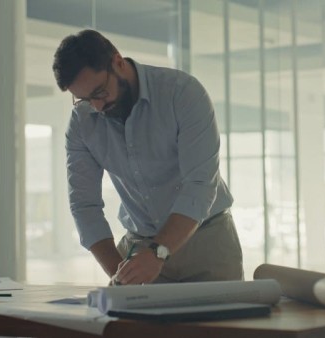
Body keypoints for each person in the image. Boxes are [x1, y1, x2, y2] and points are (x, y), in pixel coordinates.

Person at [52, 29, 243, 285]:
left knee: (220, 326)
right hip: (138, 249)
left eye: (99, 92)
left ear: (118, 62)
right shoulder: (82, 122)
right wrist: (120, 273)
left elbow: (199, 186)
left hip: (206, 242)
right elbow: (84, 207)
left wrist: (158, 253)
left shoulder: (182, 93)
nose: (96, 107)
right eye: (84, 99)